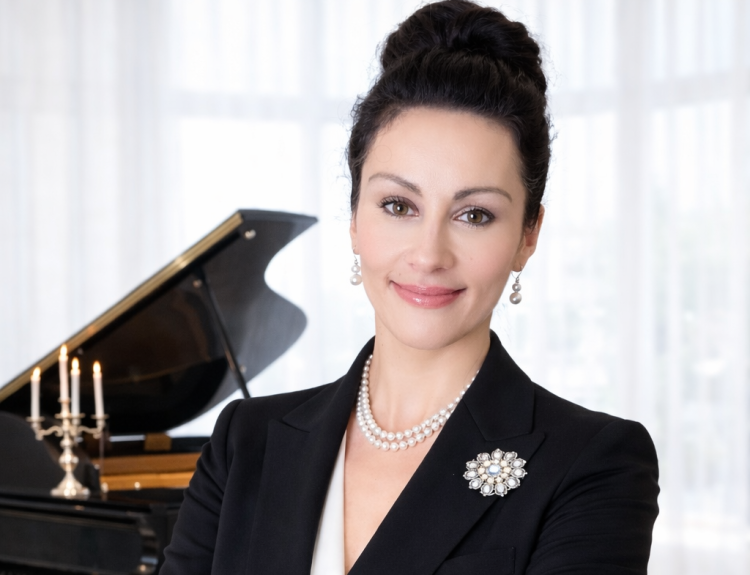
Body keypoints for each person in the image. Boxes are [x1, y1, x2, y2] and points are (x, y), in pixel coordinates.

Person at [160, 1, 659, 573]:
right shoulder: (245, 441)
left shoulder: (594, 463)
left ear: (528, 235)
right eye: (398, 205)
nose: (428, 255)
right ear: (354, 217)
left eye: (474, 215)